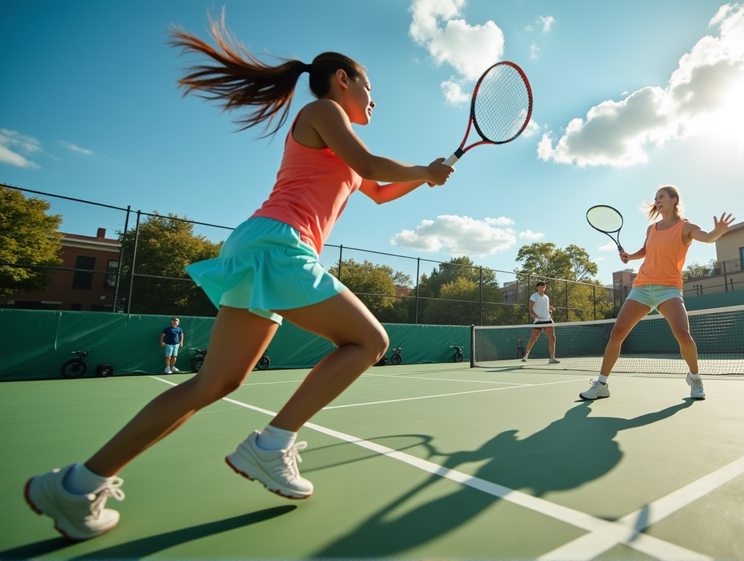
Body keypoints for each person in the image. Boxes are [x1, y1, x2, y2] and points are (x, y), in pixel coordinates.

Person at [24, 17, 453, 541]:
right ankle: (272, 446)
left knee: (216, 382)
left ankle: (76, 484)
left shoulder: (337, 141)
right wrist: (424, 170)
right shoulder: (322, 111)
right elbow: (368, 160)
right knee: (369, 340)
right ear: (342, 79)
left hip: (261, 245)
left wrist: (427, 178)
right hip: (278, 243)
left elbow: (380, 189)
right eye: (370, 87)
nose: (373, 100)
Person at [579, 185, 734, 402]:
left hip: (668, 289)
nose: (657, 200)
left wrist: (717, 232)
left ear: (674, 200)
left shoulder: (686, 227)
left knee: (683, 335)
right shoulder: (651, 229)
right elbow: (646, 250)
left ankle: (695, 378)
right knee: (617, 333)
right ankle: (601, 384)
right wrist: (630, 257)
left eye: (662, 197)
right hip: (641, 287)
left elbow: (707, 237)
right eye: (655, 197)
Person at [522, 281, 559, 364]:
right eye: (541, 286)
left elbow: (545, 307)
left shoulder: (546, 297)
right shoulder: (534, 296)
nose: (543, 288)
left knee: (552, 339)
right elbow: (530, 308)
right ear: (537, 288)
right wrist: (536, 316)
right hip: (538, 321)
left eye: (544, 287)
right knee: (533, 338)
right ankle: (526, 355)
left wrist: (550, 308)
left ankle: (552, 358)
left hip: (547, 320)